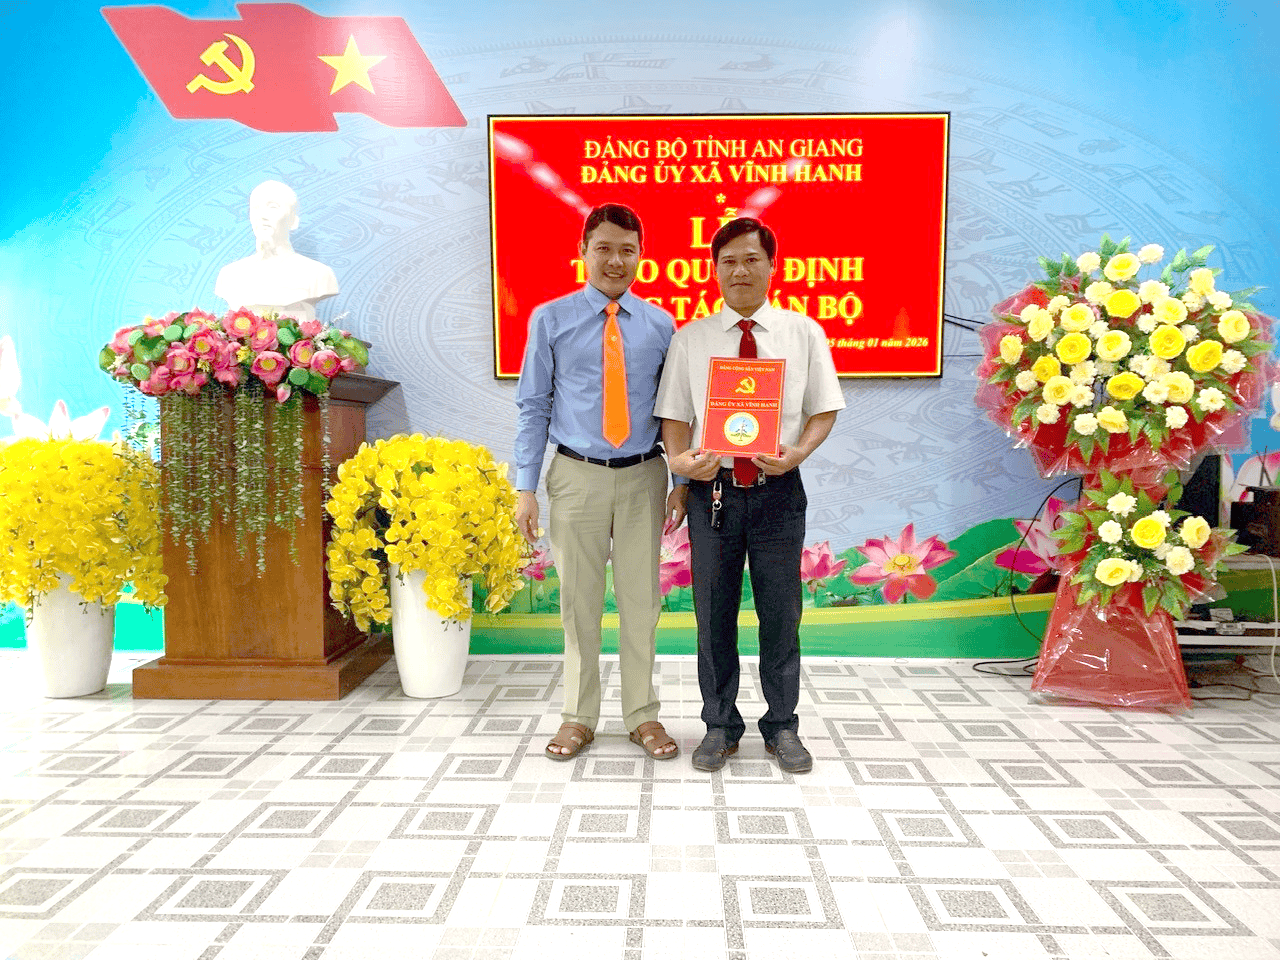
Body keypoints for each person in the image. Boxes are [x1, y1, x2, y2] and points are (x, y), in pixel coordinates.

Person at [655, 217, 844, 775]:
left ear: (772, 266)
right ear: (714, 270)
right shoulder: (691, 339)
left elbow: (824, 408)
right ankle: (719, 725)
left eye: (751, 259)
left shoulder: (802, 332)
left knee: (781, 614)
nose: (740, 271)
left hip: (777, 491)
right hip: (712, 495)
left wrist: (797, 453)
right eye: (729, 261)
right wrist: (680, 470)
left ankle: (782, 725)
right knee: (713, 615)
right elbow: (674, 417)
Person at [514, 203, 685, 762]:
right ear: (583, 252)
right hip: (575, 476)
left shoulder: (661, 326)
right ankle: (578, 716)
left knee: (641, 603)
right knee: (578, 603)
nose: (616, 260)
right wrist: (524, 487)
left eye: (627, 250)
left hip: (643, 476)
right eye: (604, 248)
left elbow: (676, 411)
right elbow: (533, 406)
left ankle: (642, 715)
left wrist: (680, 479)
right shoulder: (550, 319)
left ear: (641, 256)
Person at [215, 180, 339, 322]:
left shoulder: (318, 274)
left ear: (293, 220)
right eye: (255, 208)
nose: (262, 216)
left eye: (273, 207)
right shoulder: (230, 275)